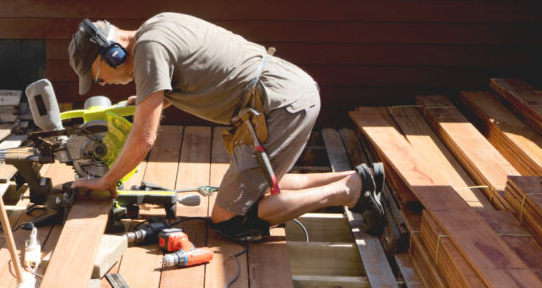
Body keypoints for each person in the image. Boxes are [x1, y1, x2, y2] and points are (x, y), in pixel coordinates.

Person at [67, 12, 384, 241]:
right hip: (284, 94)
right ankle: (357, 178)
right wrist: (149, 101)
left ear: (112, 52)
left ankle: (347, 191)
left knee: (229, 219)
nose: (104, 83)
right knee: (259, 191)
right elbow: (199, 73)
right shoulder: (157, 26)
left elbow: (143, 139)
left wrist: (106, 180)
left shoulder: (149, 51)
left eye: (98, 76)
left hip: (277, 106)